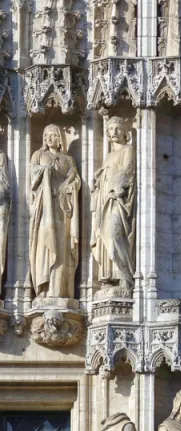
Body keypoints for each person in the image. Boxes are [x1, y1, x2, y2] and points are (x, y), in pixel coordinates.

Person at [30, 124, 81, 298]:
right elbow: (32, 176)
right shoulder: (39, 155)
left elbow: (76, 180)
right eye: (47, 135)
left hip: (63, 208)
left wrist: (70, 186)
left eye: (53, 135)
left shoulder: (68, 159)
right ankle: (44, 288)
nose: (50, 138)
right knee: (45, 245)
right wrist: (45, 170)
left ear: (60, 138)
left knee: (63, 248)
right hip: (45, 208)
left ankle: (61, 290)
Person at [92, 116, 137, 297]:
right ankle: (110, 276)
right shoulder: (110, 155)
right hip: (105, 200)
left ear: (126, 132)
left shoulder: (128, 150)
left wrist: (117, 187)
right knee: (105, 236)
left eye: (118, 128)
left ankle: (126, 277)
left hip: (118, 199)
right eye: (111, 129)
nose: (114, 132)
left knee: (114, 234)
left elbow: (128, 171)